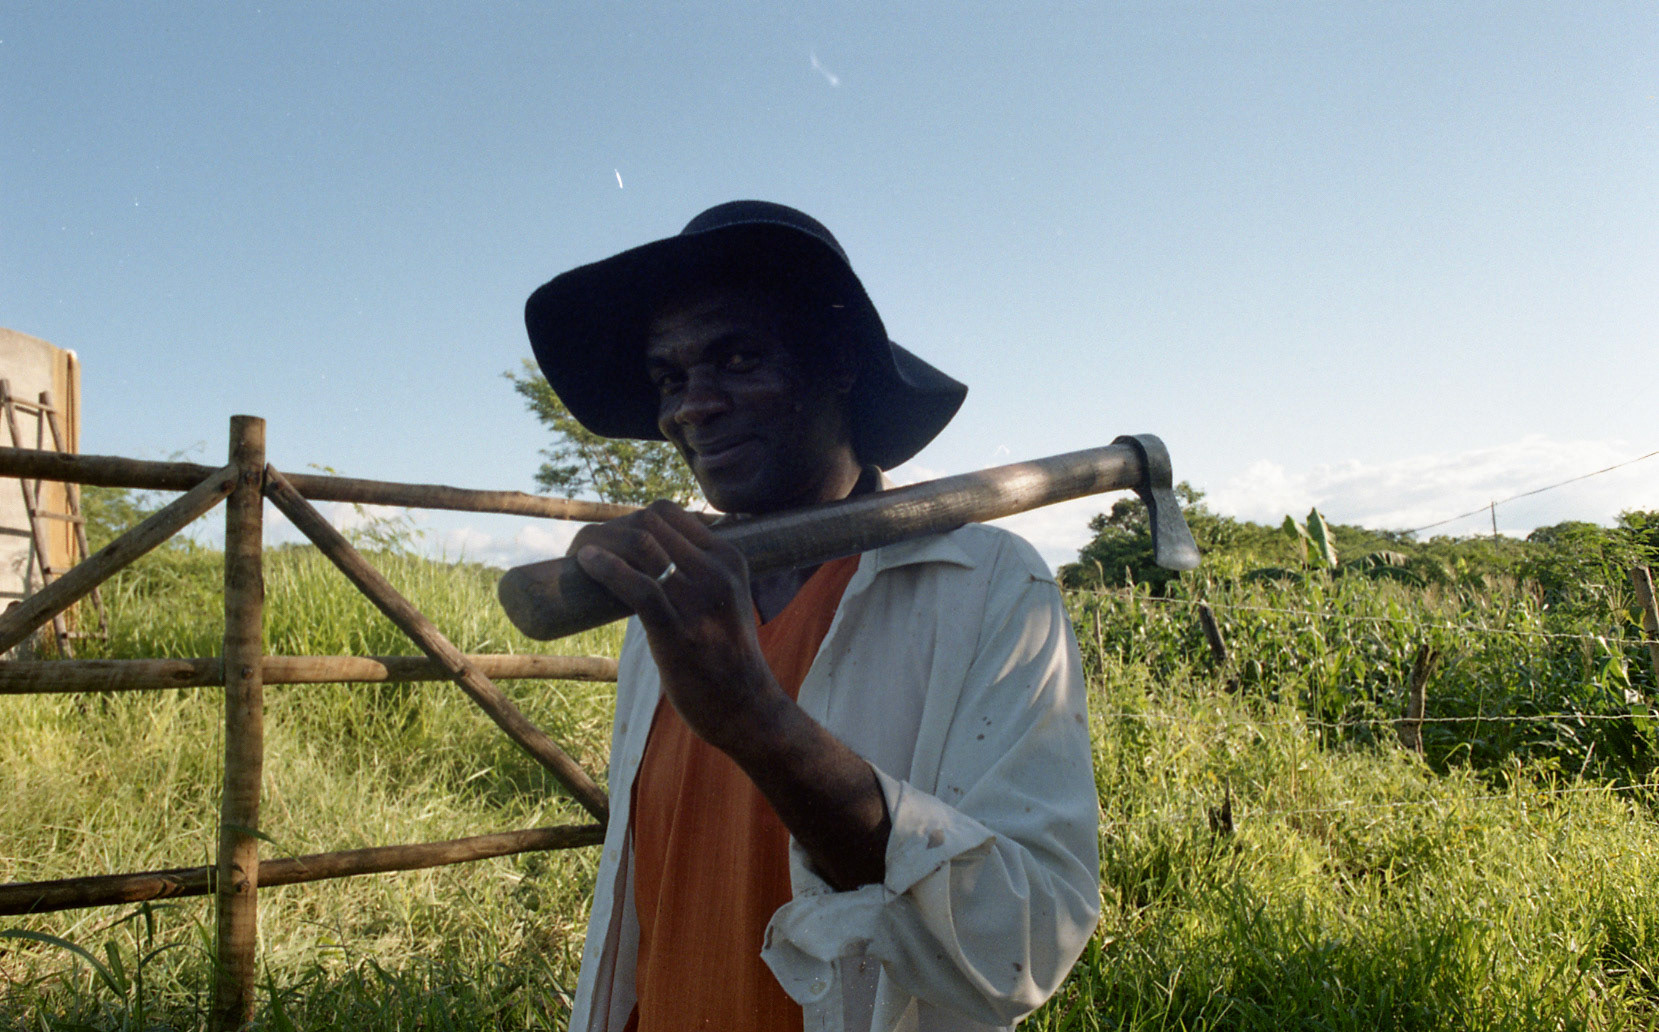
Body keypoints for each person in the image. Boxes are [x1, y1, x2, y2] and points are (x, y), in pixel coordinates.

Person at [523, 201, 1099, 1032]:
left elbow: (1027, 942)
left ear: (839, 366)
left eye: (739, 357)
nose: (692, 406)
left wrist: (759, 724)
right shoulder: (673, 595)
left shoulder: (985, 585)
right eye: (670, 377)